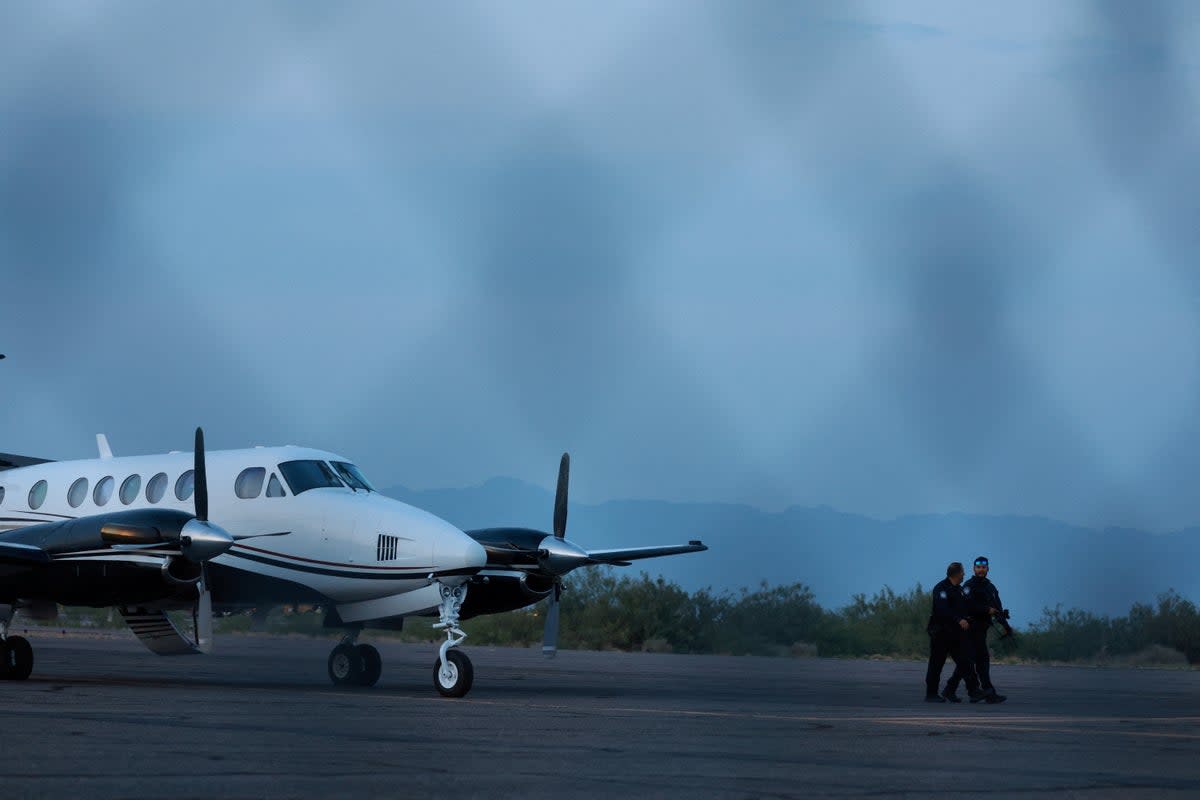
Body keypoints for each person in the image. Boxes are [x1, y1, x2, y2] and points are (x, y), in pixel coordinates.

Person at [945, 555, 1008, 704]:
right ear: (974, 569)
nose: (981, 570)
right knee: (980, 661)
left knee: (970, 662)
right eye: (978, 567)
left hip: (982, 629)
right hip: (970, 629)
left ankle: (951, 689)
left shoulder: (990, 587)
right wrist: (987, 610)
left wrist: (1005, 625)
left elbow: (997, 609)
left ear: (987, 569)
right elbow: (968, 606)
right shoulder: (968, 586)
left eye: (983, 567)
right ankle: (987, 693)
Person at [924, 562, 985, 703]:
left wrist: (978, 615)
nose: (964, 574)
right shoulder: (941, 588)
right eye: (962, 572)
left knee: (966, 662)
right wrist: (958, 619)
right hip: (940, 633)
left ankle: (973, 691)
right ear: (957, 573)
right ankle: (931, 694)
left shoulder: (960, 590)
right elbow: (942, 609)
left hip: (956, 635)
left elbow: (968, 607)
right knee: (936, 664)